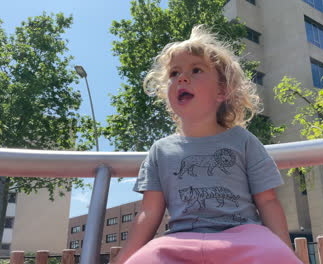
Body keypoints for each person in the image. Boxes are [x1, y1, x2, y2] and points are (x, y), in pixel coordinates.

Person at [113, 25, 302, 264]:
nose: (182, 77)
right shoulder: (160, 151)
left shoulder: (243, 140)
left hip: (244, 237)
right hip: (179, 240)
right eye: (174, 74)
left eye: (196, 70)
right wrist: (122, 258)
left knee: (274, 255)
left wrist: (284, 249)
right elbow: (150, 212)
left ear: (222, 90)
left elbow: (267, 201)